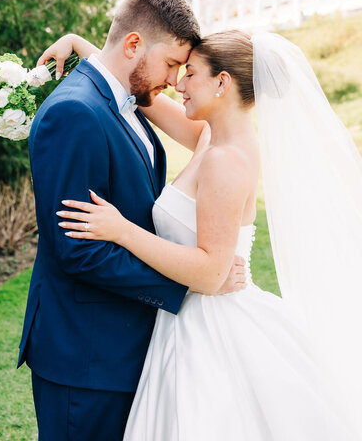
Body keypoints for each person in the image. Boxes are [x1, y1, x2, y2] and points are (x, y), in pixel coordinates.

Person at [56, 29, 362, 439]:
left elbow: (211, 274)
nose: (179, 83)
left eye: (191, 73)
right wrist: (79, 45)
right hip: (184, 318)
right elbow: (141, 94)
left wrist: (121, 230)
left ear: (222, 82)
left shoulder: (225, 160)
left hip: (210, 332)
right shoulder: (209, 137)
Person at [18, 0, 246, 441]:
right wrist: (193, 287)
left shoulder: (126, 101)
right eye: (171, 65)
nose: (175, 80)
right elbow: (78, 250)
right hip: (84, 356)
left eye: (185, 70)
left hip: (125, 348)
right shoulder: (74, 113)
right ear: (134, 45)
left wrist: (84, 46)